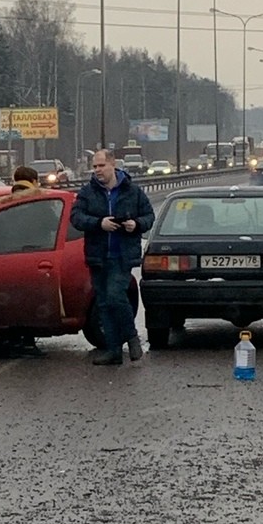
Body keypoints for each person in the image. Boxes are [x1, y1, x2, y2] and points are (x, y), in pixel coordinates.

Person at [70, 148, 155, 365]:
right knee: (105, 303)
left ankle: (132, 337)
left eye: (101, 166)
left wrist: (135, 224)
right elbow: (76, 217)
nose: (97, 170)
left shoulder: (132, 191)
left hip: (122, 255)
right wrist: (99, 223)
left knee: (116, 296)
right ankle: (113, 349)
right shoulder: (88, 192)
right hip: (98, 256)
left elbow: (148, 216)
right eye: (95, 166)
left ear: (113, 164)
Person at [0, 164, 46, 356]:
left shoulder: (0, 204)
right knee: (31, 301)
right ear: (33, 182)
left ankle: (9, 339)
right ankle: (28, 341)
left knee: (9, 300)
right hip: (32, 258)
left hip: (4, 259)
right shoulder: (39, 202)